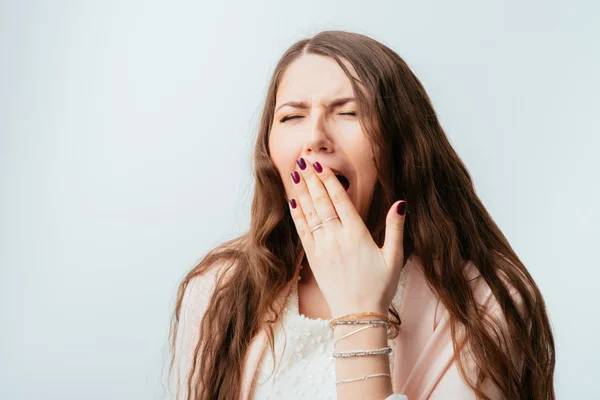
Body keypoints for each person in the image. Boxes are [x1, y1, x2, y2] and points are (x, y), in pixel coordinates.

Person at [166, 30, 555, 400]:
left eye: (348, 112)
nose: (315, 136)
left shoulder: (483, 302)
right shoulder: (218, 290)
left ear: (401, 142)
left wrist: (360, 317)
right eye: (291, 117)